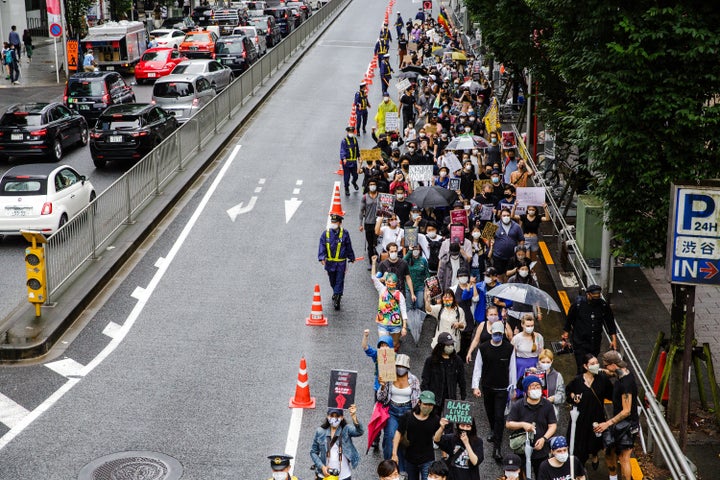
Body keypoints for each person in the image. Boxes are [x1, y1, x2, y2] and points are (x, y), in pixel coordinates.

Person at [471, 321, 516, 462]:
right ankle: (493, 430)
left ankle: (497, 447)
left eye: (500, 334)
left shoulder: (509, 348)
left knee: (499, 416)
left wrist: (512, 388)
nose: (498, 336)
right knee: (490, 413)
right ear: (491, 333)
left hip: (502, 389)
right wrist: (475, 386)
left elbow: (512, 368)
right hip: (487, 387)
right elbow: (478, 367)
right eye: (495, 334)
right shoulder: (483, 348)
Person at [595, 350, 639, 480]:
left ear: (614, 364)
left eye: (606, 365)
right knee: (609, 451)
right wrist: (598, 370)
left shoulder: (626, 385)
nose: (606, 368)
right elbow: (611, 372)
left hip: (628, 425)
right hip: (619, 424)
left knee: (624, 457)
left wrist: (607, 424)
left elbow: (626, 411)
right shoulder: (623, 372)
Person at [565, 354, 613, 470]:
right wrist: (573, 397)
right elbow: (569, 392)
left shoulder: (603, 379)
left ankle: (595, 455)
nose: (596, 365)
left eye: (597, 363)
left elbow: (612, 395)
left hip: (596, 416)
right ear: (585, 366)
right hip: (581, 417)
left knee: (595, 440)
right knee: (580, 441)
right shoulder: (577, 380)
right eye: (592, 364)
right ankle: (580, 464)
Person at [506, 375, 558, 478]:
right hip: (522, 450)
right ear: (526, 390)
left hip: (541, 450)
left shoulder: (547, 404)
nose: (536, 389)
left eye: (538, 386)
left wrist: (544, 438)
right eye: (532, 386)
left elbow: (552, 425)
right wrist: (522, 424)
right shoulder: (518, 405)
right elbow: (508, 424)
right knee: (522, 476)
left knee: (542, 476)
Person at [562, 284, 618, 374]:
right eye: (594, 297)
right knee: (581, 367)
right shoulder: (578, 305)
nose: (596, 299)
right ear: (588, 294)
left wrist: (614, 339)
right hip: (580, 342)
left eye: (598, 297)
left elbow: (610, 322)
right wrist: (565, 334)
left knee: (592, 366)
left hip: (594, 343)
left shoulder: (603, 305)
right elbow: (569, 319)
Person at [377, 353, 421, 463]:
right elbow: (380, 398)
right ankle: (389, 466)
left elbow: (417, 399)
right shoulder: (389, 378)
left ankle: (403, 467)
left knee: (405, 440)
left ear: (407, 368)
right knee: (389, 437)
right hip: (392, 411)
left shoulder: (414, 380)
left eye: (403, 367)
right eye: (398, 366)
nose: (400, 369)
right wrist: (382, 386)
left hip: (407, 411)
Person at [392, 391, 441, 480]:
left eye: (431, 405)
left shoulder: (436, 420)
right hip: (410, 459)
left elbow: (438, 439)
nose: (428, 407)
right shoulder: (408, 416)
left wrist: (442, 427)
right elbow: (398, 433)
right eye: (425, 404)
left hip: (427, 459)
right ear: (419, 403)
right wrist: (394, 453)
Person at [310, 405, 364, 480]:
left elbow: (360, 432)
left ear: (342, 417)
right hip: (325, 475)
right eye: (331, 416)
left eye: (337, 416)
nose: (334, 419)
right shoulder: (320, 431)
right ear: (327, 416)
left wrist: (354, 417)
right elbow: (313, 452)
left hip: (344, 476)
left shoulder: (346, 430)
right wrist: (322, 467)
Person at [421, 332, 466, 416]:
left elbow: (461, 380)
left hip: (450, 398)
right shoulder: (431, 360)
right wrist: (426, 397)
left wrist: (463, 396)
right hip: (434, 399)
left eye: (451, 344)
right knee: (433, 422)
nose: (450, 347)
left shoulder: (457, 360)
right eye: (448, 345)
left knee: (449, 424)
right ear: (441, 346)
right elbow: (425, 379)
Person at [318, 214, 356, 310]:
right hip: (330, 263)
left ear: (340, 223)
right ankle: (336, 292)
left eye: (335, 222)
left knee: (339, 280)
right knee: (332, 280)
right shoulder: (326, 234)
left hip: (341, 263)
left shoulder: (345, 233)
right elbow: (322, 245)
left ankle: (337, 297)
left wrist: (351, 257)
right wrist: (322, 257)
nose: (333, 224)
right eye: (332, 222)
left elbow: (348, 246)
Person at [371, 263, 408, 349]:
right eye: (388, 281)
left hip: (396, 325)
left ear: (396, 283)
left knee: (394, 345)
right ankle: (384, 361)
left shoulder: (399, 295)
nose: (390, 283)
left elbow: (403, 310)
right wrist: (373, 263)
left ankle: (393, 359)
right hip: (382, 323)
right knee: (383, 345)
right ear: (386, 282)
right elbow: (373, 278)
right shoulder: (382, 289)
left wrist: (404, 327)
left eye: (392, 282)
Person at [511, 313, 544, 396]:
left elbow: (542, 353)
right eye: (528, 325)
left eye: (532, 325)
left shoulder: (538, 337)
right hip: (520, 367)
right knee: (519, 389)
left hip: (534, 365)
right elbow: (512, 355)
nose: (530, 328)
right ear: (522, 325)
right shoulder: (517, 338)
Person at [360, 179, 381, 269]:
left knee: (378, 243)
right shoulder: (365, 197)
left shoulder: (380, 196)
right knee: (370, 244)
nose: (372, 186)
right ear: (368, 186)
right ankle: (370, 262)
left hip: (379, 223)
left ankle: (380, 260)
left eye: (374, 184)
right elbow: (361, 211)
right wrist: (360, 224)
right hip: (368, 223)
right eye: (371, 184)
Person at [340, 126, 360, 196]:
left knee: (356, 175)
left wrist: (359, 157)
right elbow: (342, 150)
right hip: (347, 162)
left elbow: (357, 149)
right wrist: (344, 158)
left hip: (354, 162)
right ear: (347, 132)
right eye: (350, 132)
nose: (351, 133)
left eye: (352, 132)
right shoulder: (344, 141)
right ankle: (346, 188)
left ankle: (354, 182)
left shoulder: (355, 140)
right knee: (347, 176)